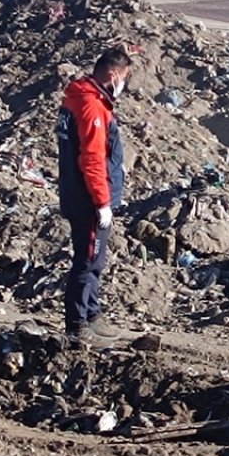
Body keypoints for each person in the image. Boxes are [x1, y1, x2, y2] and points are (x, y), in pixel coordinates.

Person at [56, 47, 132, 347]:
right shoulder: (90, 106)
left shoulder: (84, 99)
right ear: (112, 75)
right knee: (86, 261)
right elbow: (92, 159)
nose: (124, 85)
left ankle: (92, 314)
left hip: (81, 193)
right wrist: (102, 202)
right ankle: (77, 325)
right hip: (87, 198)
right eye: (124, 78)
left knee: (94, 260)